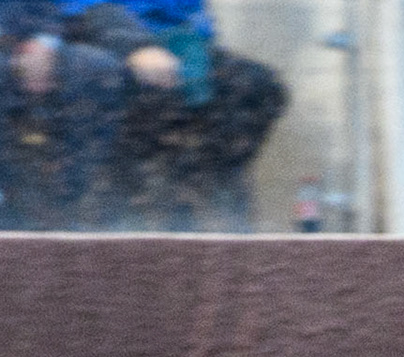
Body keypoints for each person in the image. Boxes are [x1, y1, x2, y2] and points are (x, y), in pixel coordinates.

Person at [56, 0, 285, 228]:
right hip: (100, 34)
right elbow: (78, 9)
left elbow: (194, 16)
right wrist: (135, 45)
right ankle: (118, 206)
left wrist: (190, 41)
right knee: (135, 87)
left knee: (258, 86)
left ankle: (205, 185)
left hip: (174, 41)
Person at [0, 4, 125, 227]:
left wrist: (40, 43)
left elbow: (44, 13)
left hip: (45, 44)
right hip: (9, 53)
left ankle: (74, 199)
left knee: (97, 68)